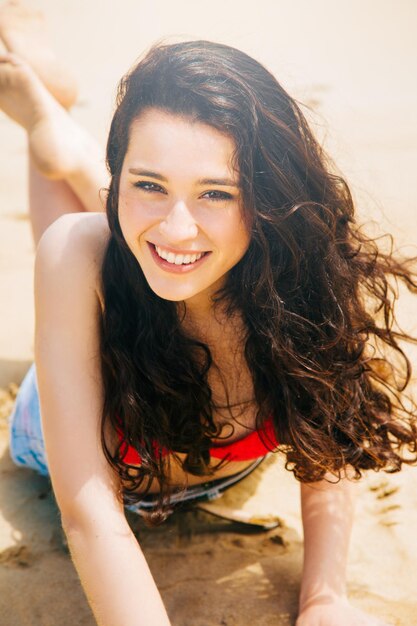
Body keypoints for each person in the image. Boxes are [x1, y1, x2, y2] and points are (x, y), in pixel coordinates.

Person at [1, 4, 416, 625]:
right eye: (145, 183)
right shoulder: (79, 252)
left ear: (267, 198)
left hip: (216, 443)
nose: (176, 219)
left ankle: (65, 138)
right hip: (54, 422)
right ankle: (52, 132)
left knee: (160, 243)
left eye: (218, 191)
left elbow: (327, 438)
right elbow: (90, 515)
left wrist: (325, 599)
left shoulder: (309, 272)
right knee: (90, 242)